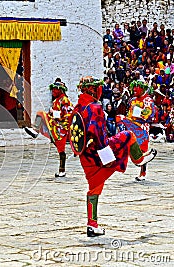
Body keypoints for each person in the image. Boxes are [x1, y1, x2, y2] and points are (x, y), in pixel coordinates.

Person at [70, 77, 156, 237]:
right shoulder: (94, 107)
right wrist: (107, 157)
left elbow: (75, 130)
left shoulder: (78, 107)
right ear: (94, 90)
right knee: (128, 136)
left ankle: (92, 225)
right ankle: (139, 160)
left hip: (85, 156)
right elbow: (98, 133)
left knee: (95, 187)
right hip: (98, 152)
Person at [24, 81, 73, 177]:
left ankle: (62, 170)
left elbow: (67, 115)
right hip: (55, 125)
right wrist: (52, 113)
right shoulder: (56, 101)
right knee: (41, 114)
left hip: (61, 127)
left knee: (61, 151)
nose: (53, 91)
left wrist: (53, 112)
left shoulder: (65, 100)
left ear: (60, 90)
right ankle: (35, 130)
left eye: (55, 89)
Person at [116, 80, 156, 181]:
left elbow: (147, 115)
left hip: (142, 127)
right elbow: (129, 114)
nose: (133, 90)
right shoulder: (133, 100)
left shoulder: (148, 100)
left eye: (136, 88)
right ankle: (123, 139)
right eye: (133, 88)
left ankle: (143, 173)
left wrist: (136, 111)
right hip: (132, 124)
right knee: (119, 118)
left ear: (142, 89)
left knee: (142, 151)